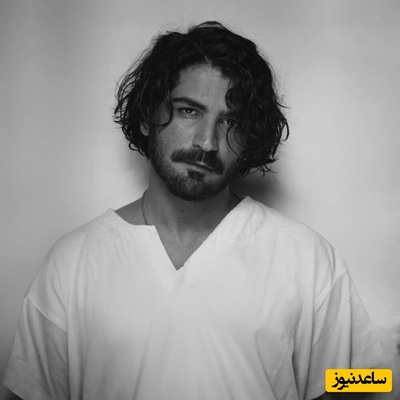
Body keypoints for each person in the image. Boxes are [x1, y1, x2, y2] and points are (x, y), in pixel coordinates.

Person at [3, 21, 388, 400]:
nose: (207, 142)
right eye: (189, 111)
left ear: (250, 137)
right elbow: (30, 391)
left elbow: (365, 382)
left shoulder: (306, 258)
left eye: (231, 121)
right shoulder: (73, 263)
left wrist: (376, 373)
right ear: (147, 116)